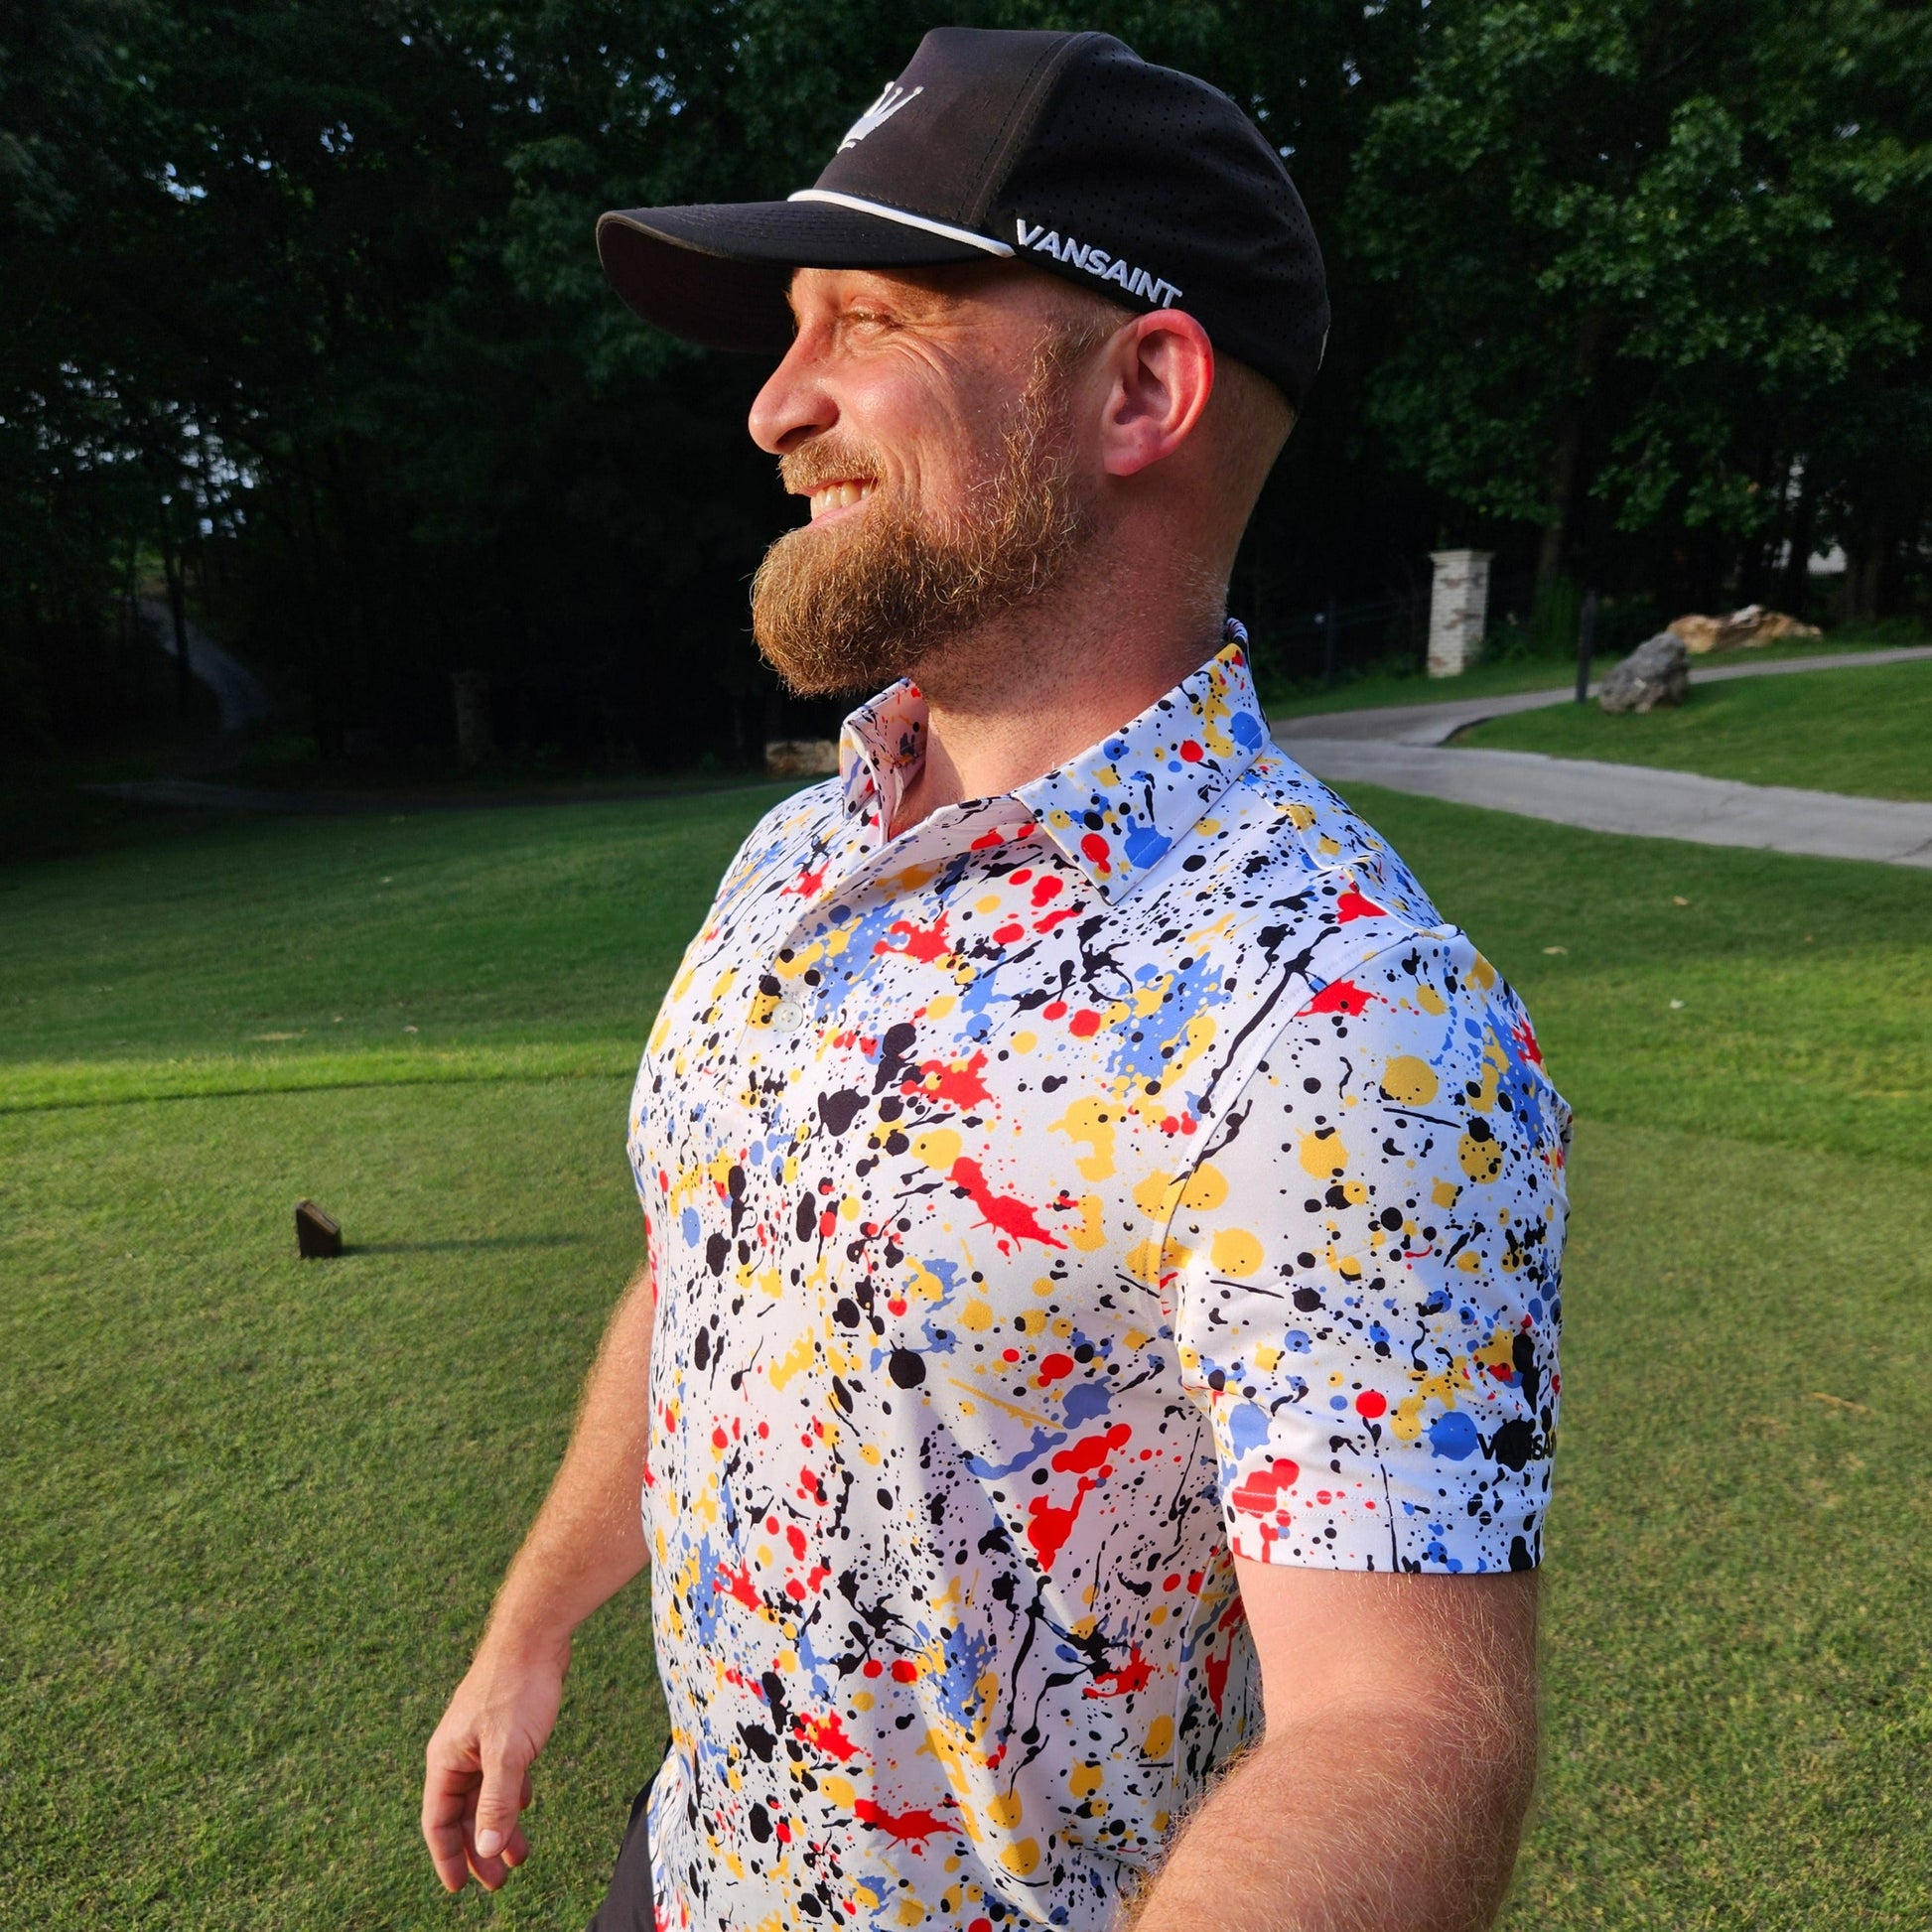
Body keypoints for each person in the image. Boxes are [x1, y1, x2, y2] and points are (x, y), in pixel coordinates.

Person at [422, 27, 1570, 1932]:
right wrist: (529, 1621)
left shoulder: (1341, 1011)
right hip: (682, 1864)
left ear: (1141, 391)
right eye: (789, 327)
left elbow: (1400, 1729)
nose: (773, 405)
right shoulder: (797, 854)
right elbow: (706, 1254)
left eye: (866, 319)